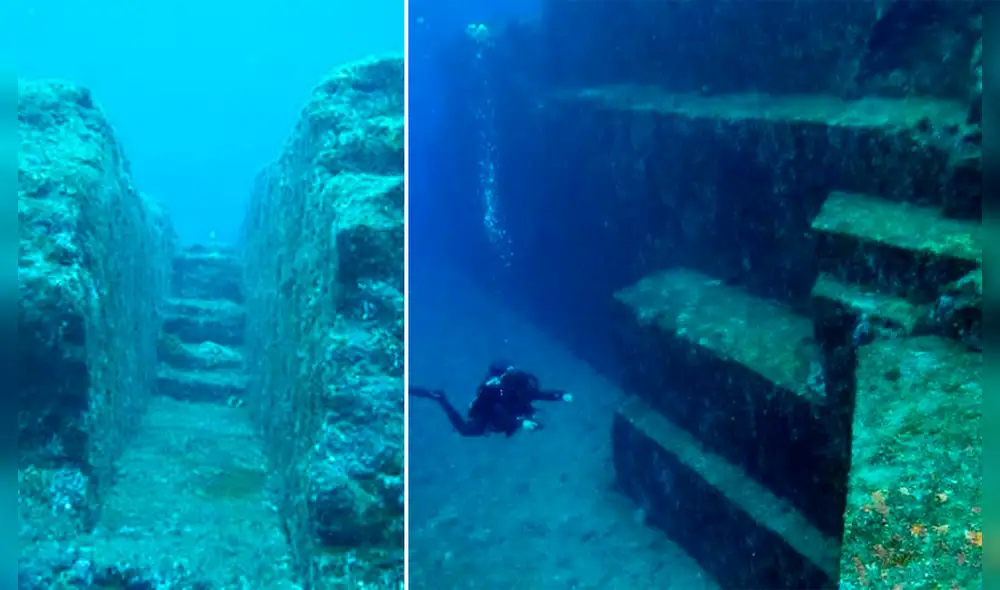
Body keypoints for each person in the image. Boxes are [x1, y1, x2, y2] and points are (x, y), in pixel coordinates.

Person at [410, 361, 573, 437]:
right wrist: (519, 423)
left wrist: (561, 395)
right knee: (465, 430)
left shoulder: (524, 392)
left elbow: (542, 394)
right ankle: (440, 398)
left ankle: (440, 398)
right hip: (489, 414)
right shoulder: (498, 394)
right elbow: (498, 414)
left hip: (504, 414)